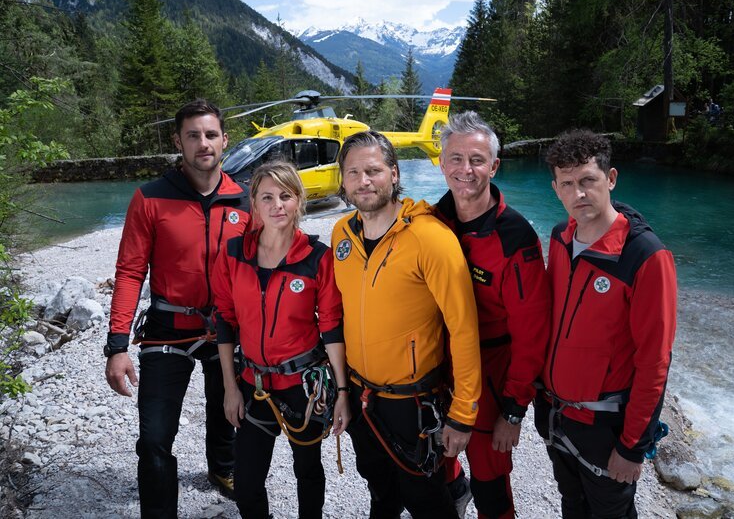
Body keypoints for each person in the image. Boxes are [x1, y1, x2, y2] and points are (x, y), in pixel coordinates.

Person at [103, 99, 250, 518]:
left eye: (210, 135)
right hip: (168, 328)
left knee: (229, 413)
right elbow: (130, 272)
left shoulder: (245, 200)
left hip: (227, 328)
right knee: (153, 439)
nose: (202, 143)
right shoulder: (151, 198)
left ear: (224, 140)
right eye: (192, 135)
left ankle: (223, 470)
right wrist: (116, 345)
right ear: (178, 142)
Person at [331, 130, 482, 518]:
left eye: (374, 171)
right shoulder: (341, 234)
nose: (363, 181)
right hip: (363, 397)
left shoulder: (430, 237)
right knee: (379, 489)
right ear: (343, 181)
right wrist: (343, 392)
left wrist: (463, 412)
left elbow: (464, 328)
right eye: (353, 173)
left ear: (395, 174)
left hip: (413, 402)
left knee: (425, 500)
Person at [536, 129, 677, 518]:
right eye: (567, 184)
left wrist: (633, 446)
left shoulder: (645, 255)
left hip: (605, 426)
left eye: (588, 181)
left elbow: (655, 362)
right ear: (555, 188)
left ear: (610, 179)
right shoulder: (560, 239)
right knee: (572, 504)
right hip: (556, 414)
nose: (578, 193)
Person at [211, 162, 349, 519]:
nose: (277, 205)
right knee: (246, 482)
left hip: (303, 385)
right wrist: (229, 386)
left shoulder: (317, 258)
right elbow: (225, 320)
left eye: (286, 196)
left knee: (307, 470)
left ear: (299, 200)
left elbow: (332, 327)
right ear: (253, 204)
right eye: (267, 197)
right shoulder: (233, 254)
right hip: (252, 383)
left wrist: (343, 393)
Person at [433, 111, 551, 519]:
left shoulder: (515, 238)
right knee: (437, 455)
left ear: (494, 166)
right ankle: (454, 492)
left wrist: (514, 410)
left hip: (491, 376)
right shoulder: (433, 222)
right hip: (438, 368)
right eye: (456, 159)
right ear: (441, 162)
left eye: (477, 160)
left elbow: (532, 334)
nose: (466, 170)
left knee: (491, 479)